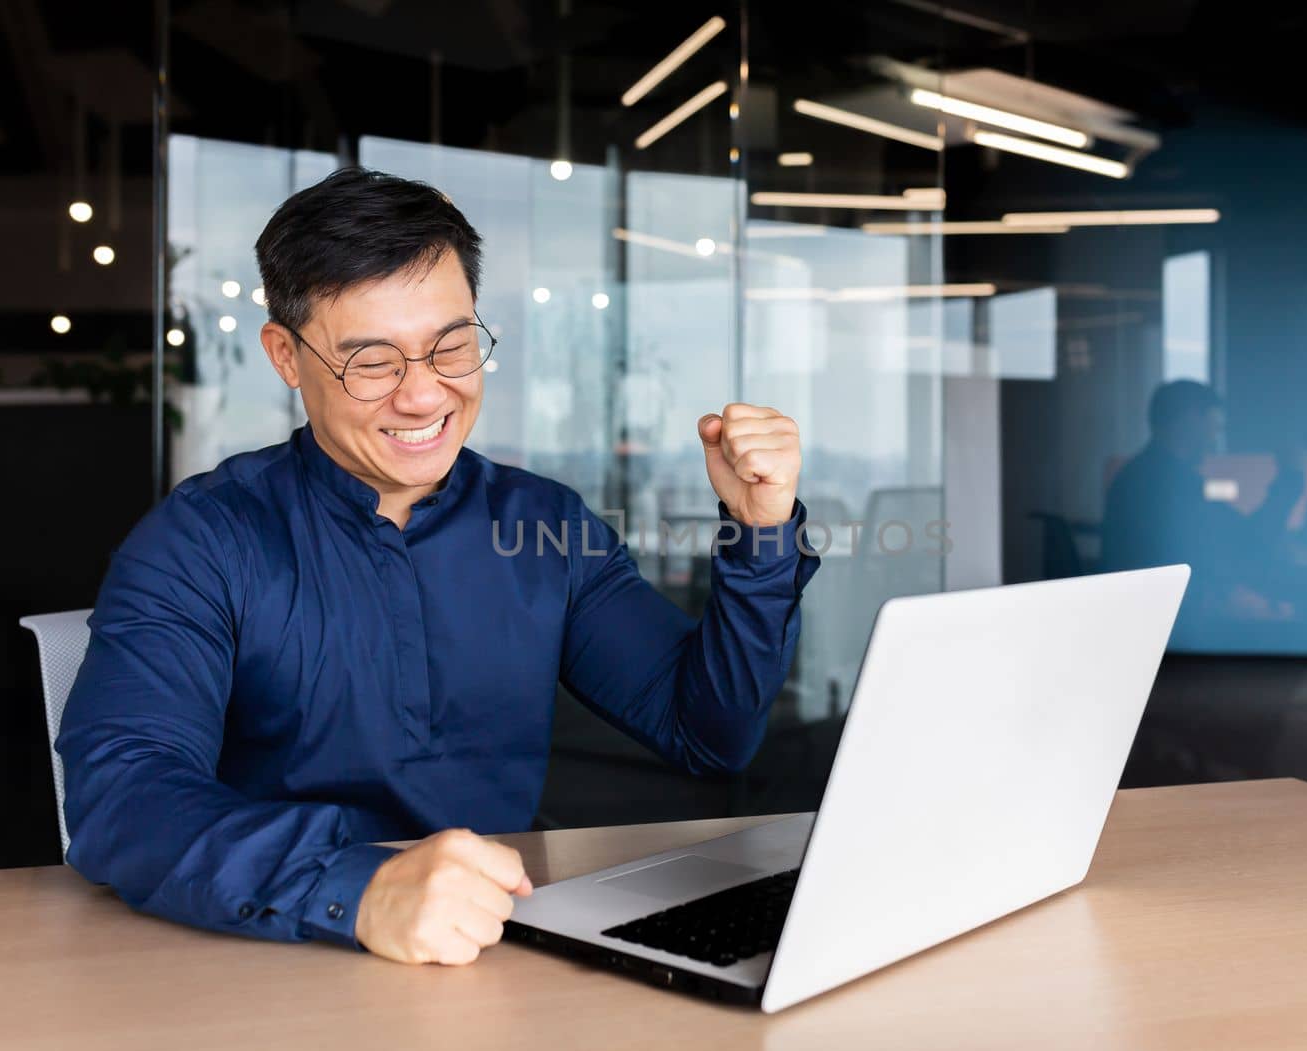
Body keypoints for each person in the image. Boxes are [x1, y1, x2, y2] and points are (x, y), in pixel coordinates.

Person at [57, 168, 819, 967]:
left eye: (452, 346)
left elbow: (709, 733)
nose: (424, 396)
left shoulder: (544, 525)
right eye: (373, 362)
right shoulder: (200, 541)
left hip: (497, 950)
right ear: (286, 355)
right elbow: (121, 798)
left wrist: (759, 531)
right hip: (277, 957)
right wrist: (356, 886)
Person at [1101, 380, 1304, 626]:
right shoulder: (1173, 483)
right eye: (1214, 427)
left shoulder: (1139, 474)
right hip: (1178, 621)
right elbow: (1250, 541)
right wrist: (1291, 479)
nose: (1214, 440)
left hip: (1152, 614)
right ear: (1191, 418)